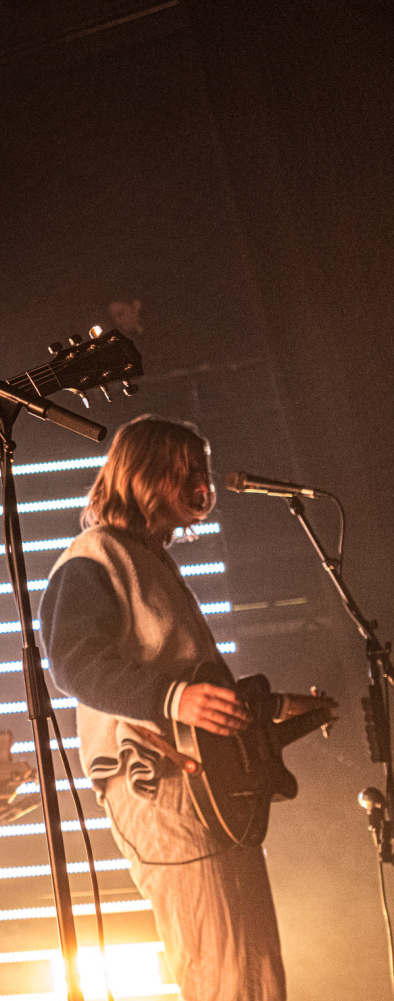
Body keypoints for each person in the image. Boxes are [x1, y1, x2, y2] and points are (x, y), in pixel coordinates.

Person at [38, 415, 323, 1001]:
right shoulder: (95, 557)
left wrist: (266, 711)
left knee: (255, 976)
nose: (202, 481)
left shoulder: (151, 561)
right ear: (145, 472)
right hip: (163, 790)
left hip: (209, 792)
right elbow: (72, 663)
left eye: (204, 469)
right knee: (224, 974)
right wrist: (174, 700)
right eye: (187, 468)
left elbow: (190, 685)